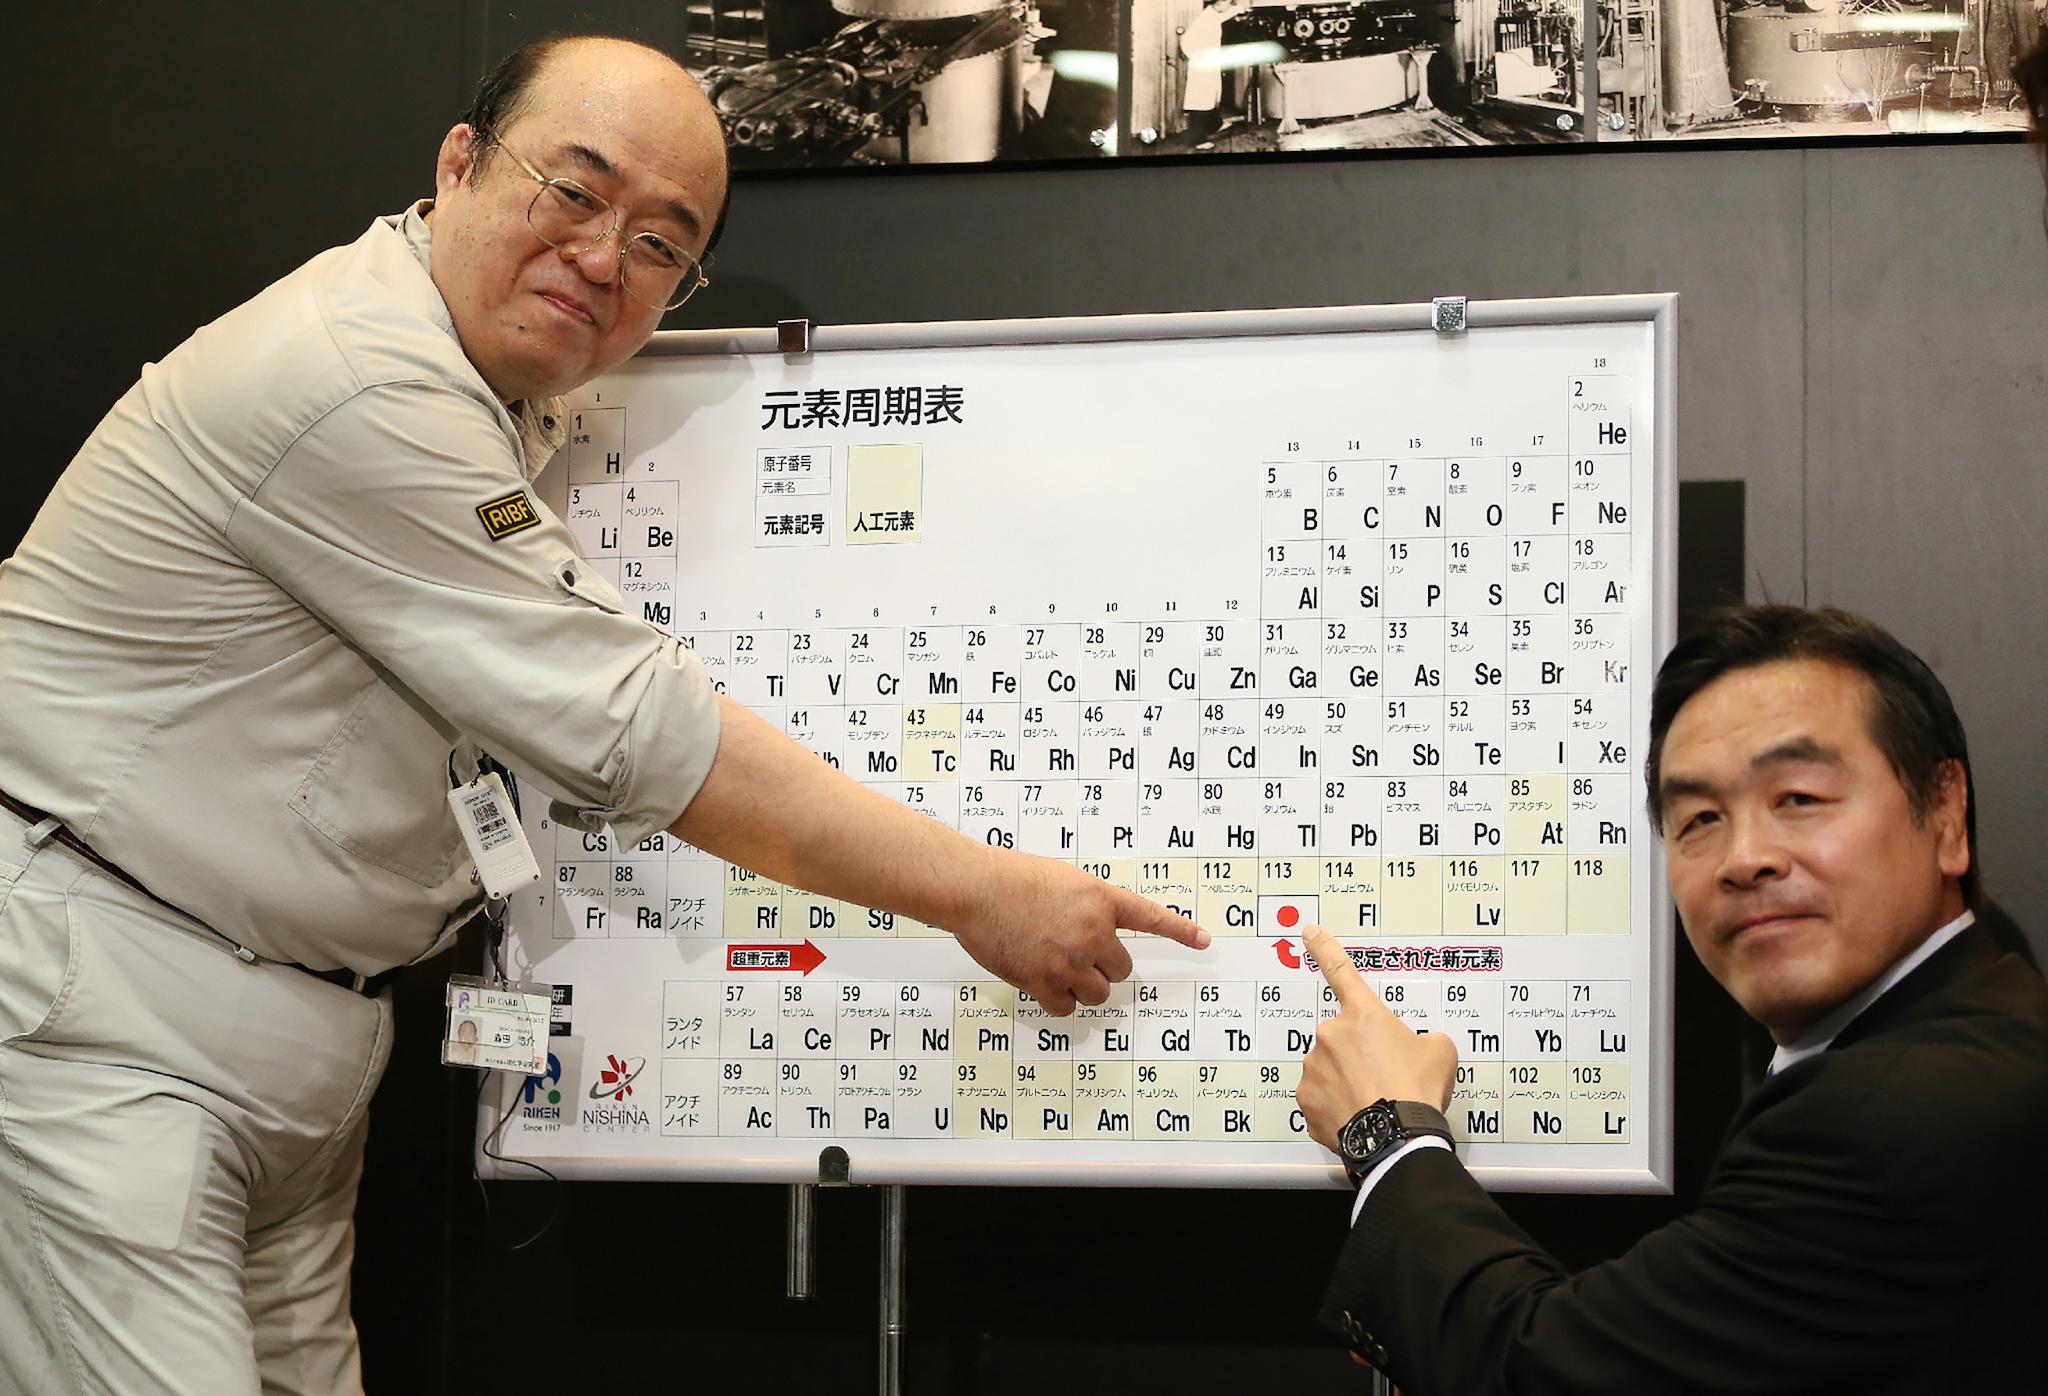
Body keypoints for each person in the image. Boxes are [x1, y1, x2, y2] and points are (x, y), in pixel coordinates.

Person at [0, 33, 1207, 1396]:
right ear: (458, 164)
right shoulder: (360, 377)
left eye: (657, 243)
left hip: (283, 1036)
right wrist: (980, 892)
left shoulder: (493, 402)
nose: (601, 258)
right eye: (572, 193)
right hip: (105, 1016)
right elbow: (639, 728)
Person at [1294, 605, 2047, 1392]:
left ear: (1947, 813)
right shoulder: (1989, 999)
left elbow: (1537, 1373)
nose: (1745, 858)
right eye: (1699, 820)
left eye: (1799, 798)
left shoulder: (1892, 1114)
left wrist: (1386, 1133)